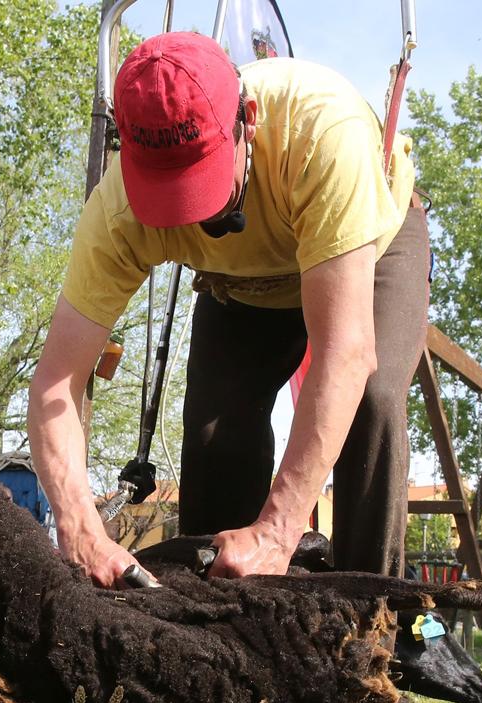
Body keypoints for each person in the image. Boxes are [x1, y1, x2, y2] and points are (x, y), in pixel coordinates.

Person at [27, 32, 430, 588]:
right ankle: (214, 621)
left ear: (249, 120)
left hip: (366, 245)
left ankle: (369, 618)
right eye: (165, 195)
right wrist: (78, 526)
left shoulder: (322, 133)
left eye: (200, 182)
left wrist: (278, 529)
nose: (188, 216)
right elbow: (56, 381)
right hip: (239, 282)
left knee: (373, 397)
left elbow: (346, 352)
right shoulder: (116, 209)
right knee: (217, 428)